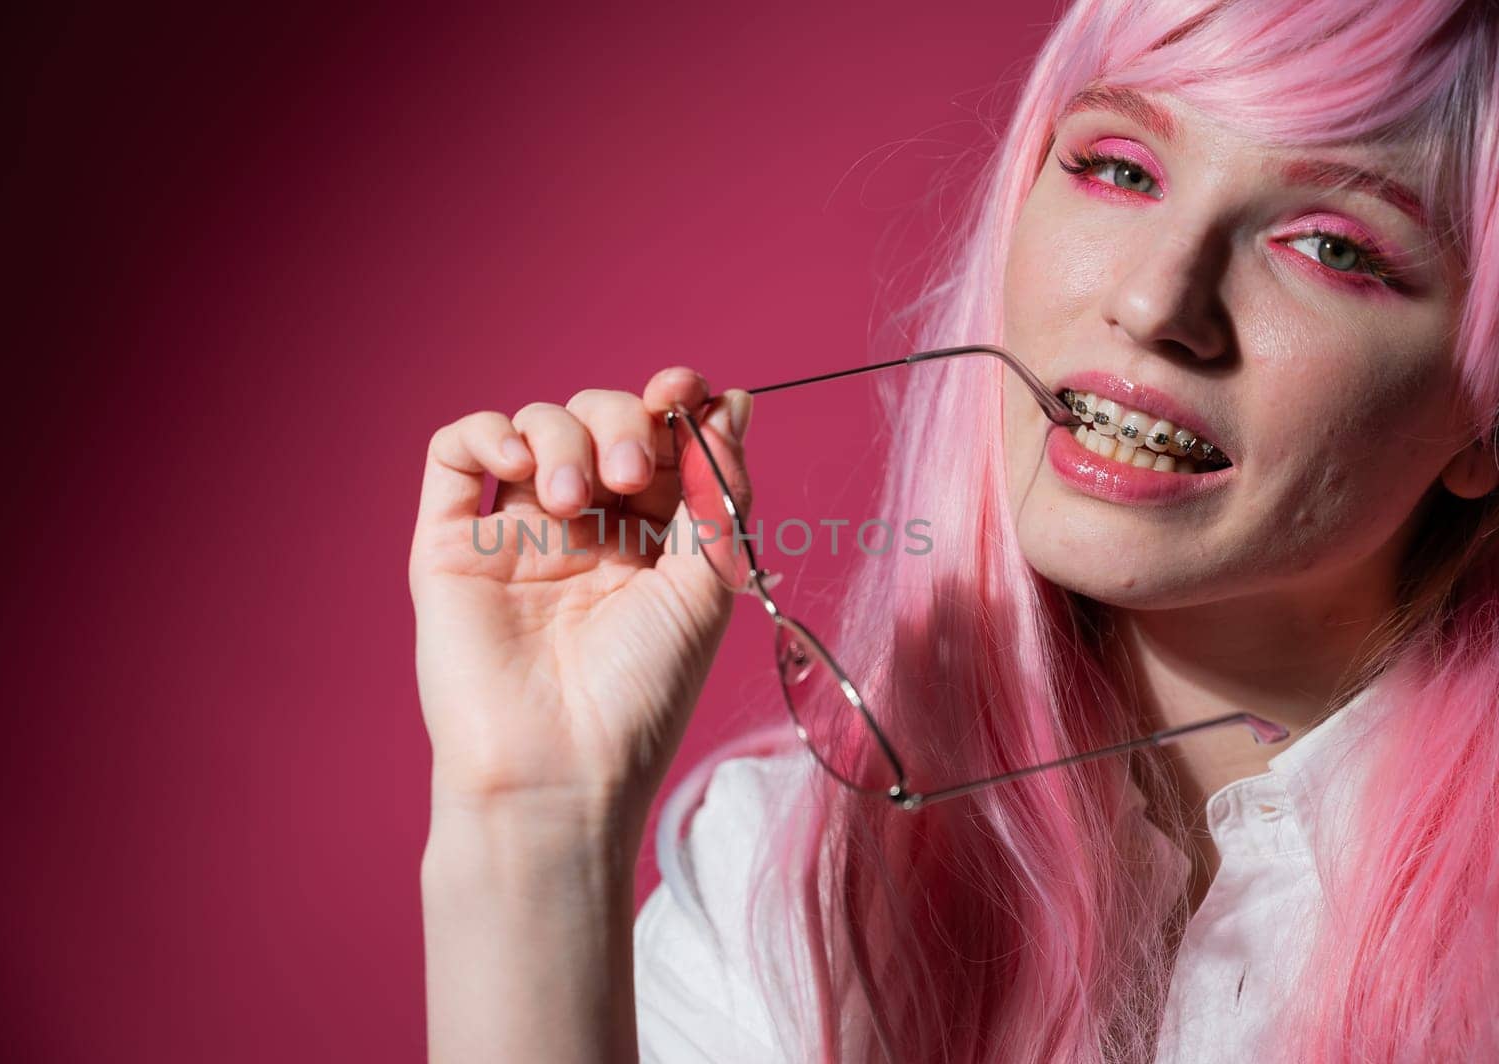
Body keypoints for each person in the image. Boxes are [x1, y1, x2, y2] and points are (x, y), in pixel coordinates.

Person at [410, 0, 1499, 1059]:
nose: (1156, 301)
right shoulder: (783, 876)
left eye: (1333, 247)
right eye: (1120, 167)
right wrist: (534, 822)